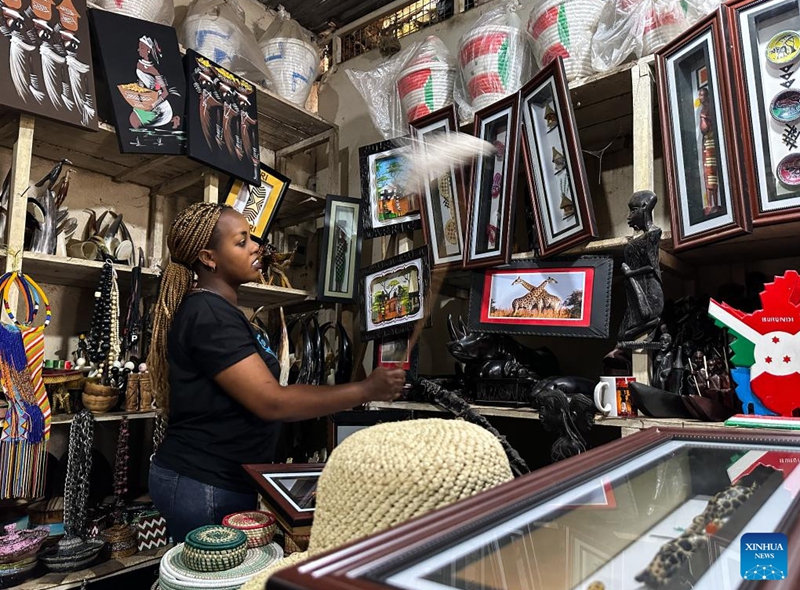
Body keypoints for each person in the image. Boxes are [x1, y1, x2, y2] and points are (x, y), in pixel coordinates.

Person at [146, 203, 406, 541]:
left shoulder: (219, 309)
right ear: (209, 258)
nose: (256, 247)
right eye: (241, 242)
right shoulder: (208, 313)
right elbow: (272, 402)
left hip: (216, 478)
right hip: (205, 482)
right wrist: (365, 390)